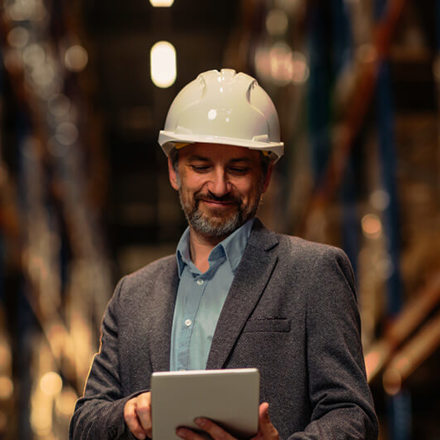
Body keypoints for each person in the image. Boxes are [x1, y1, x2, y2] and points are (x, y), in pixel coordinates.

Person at [69, 69, 378, 440]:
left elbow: (352, 416)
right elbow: (85, 422)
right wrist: (128, 412)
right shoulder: (132, 296)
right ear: (174, 171)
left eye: (238, 169)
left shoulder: (313, 273)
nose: (218, 186)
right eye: (200, 167)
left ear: (264, 177)